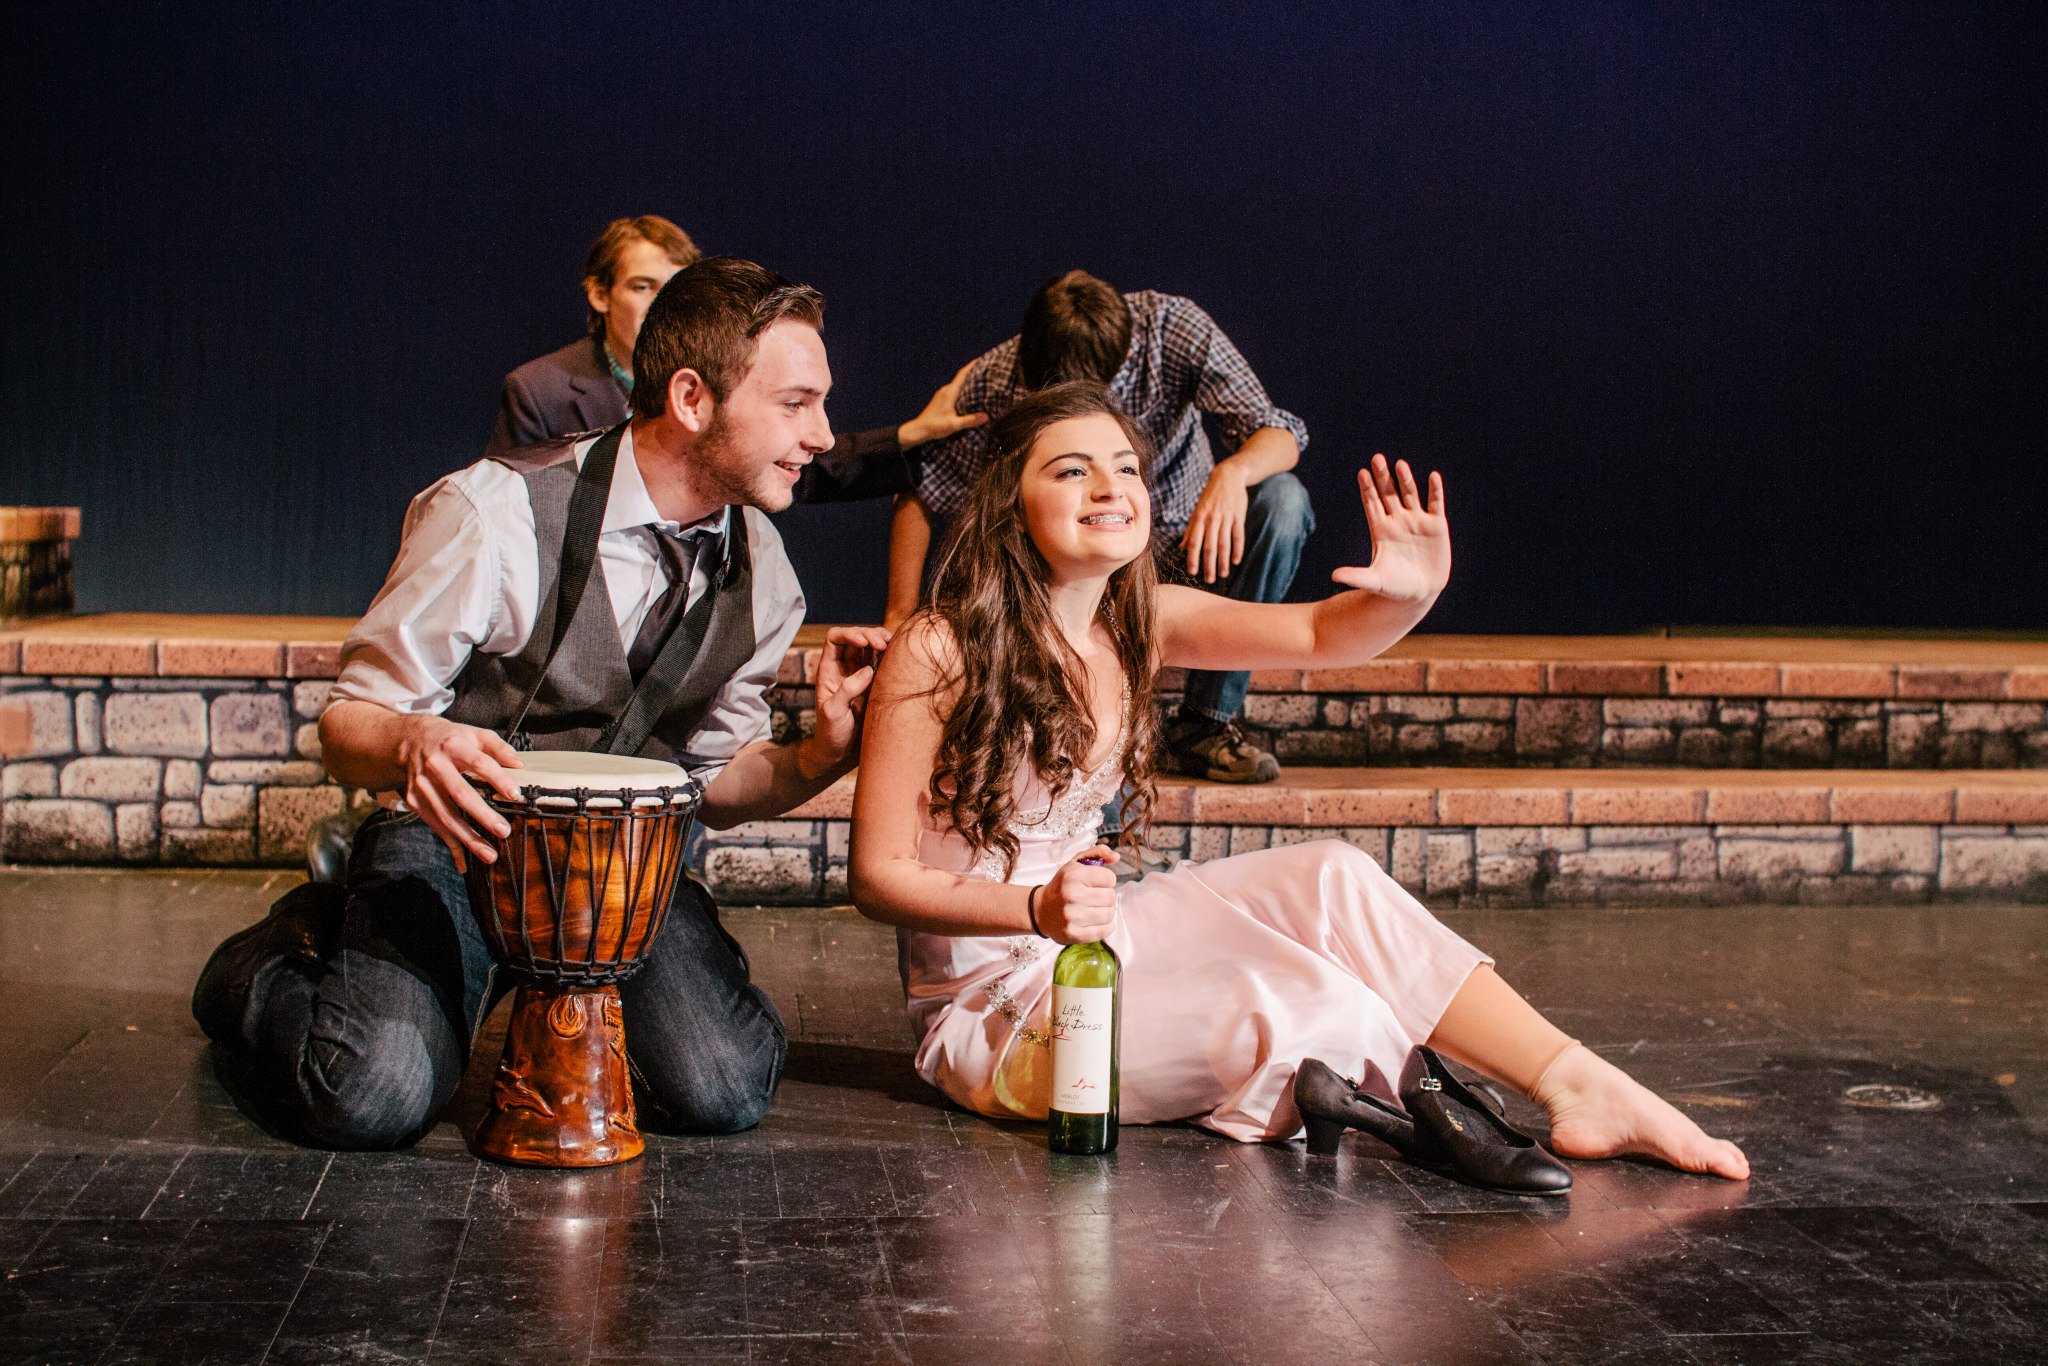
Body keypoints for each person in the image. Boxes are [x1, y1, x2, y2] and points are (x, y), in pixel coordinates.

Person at [848, 382, 1749, 1180]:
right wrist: (1035, 909)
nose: (1110, 488)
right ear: (1010, 503)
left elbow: (1322, 634)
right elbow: (878, 876)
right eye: (1071, 471)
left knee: (1333, 875)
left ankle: (1577, 1082)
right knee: (1307, 1003)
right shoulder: (939, 648)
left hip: (1094, 935)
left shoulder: (1140, 620)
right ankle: (1404, 1101)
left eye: (1124, 468)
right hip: (994, 1007)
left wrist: (1412, 593)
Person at [194, 257, 889, 1146]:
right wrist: (412, 741)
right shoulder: (495, 512)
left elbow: (715, 784)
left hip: (618, 866)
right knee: (371, 1095)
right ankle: (272, 957)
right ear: (691, 398)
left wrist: (819, 755)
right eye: (796, 404)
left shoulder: (766, 572)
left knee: (725, 1087)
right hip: (456, 843)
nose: (824, 435)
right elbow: (345, 726)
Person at [885, 270, 1315, 785]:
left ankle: (1204, 725)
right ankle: (1073, 759)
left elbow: (1279, 432)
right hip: (1076, 574)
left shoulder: (1172, 330)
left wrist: (1233, 472)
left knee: (1283, 500)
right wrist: (898, 615)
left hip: (1190, 545)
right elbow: (921, 484)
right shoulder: (994, 381)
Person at [485, 214, 984, 504]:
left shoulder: (724, 375)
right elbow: (519, 508)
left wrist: (910, 434)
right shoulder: (540, 389)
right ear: (599, 293)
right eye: (643, 287)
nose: (662, 304)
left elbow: (798, 460)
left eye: (675, 288)